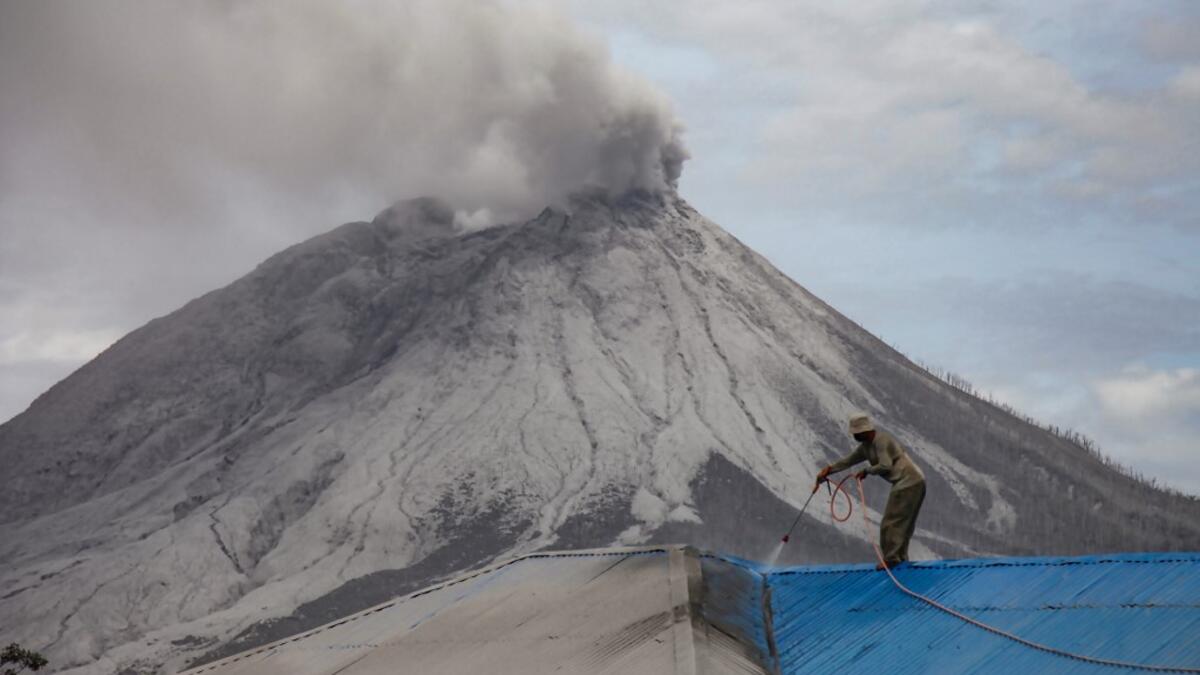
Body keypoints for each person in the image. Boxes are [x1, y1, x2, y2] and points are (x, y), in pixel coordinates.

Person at [816, 412, 926, 569]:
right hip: (911, 481)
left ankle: (892, 559)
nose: (856, 437)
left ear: (866, 431)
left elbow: (885, 465)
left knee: (891, 522)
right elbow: (848, 461)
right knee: (903, 522)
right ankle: (900, 557)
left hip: (908, 480)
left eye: (858, 434)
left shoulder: (881, 440)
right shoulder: (866, 448)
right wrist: (829, 470)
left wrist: (867, 471)